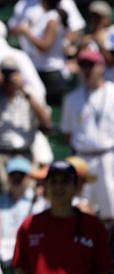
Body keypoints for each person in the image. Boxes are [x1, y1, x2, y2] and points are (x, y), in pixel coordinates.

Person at [0, 56, 51, 196]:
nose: (8, 78)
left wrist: (23, 89)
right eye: (5, 73)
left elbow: (46, 121)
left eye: (12, 73)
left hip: (24, 155)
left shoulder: (30, 94)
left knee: (26, 197)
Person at [61, 48, 114, 238]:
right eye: (83, 65)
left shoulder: (112, 92)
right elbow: (67, 134)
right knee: (83, 208)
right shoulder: (72, 98)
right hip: (83, 157)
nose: (87, 69)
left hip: (108, 156)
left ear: (101, 66)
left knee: (110, 209)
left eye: (91, 65)